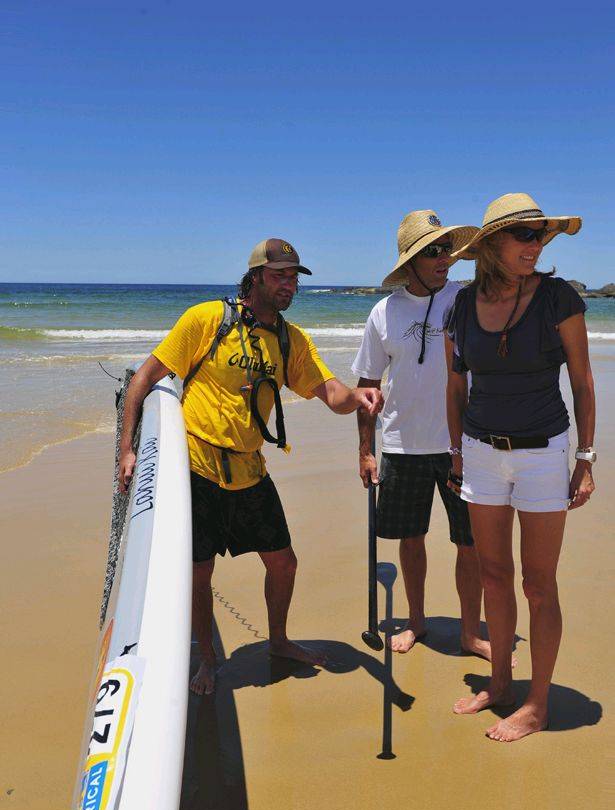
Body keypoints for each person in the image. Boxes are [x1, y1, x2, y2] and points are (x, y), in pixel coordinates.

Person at [119, 239, 382, 695]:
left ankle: (278, 640)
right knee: (199, 574)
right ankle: (207, 658)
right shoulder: (207, 320)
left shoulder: (290, 339)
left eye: (294, 277)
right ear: (256, 276)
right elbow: (143, 379)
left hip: (250, 471)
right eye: (280, 276)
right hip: (197, 470)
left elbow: (332, 394)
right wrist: (127, 450)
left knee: (284, 563)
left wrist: (358, 396)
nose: (289, 285)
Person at [445, 193, 595, 742]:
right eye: (524, 235)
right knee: (493, 573)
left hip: (543, 454)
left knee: (538, 584)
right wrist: (457, 454)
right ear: (492, 245)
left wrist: (585, 458)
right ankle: (502, 684)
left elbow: (582, 382)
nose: (535, 246)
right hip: (481, 453)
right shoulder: (462, 305)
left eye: (539, 235)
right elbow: (455, 386)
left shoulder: (558, 298)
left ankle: (537, 704)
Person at [353, 209, 490, 658]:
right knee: (411, 539)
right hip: (402, 445)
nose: (444, 258)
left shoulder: (467, 300)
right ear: (410, 261)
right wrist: (365, 450)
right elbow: (367, 385)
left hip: (463, 446)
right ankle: (416, 622)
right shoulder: (383, 312)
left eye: (447, 248)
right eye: (433, 251)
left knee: (469, 543)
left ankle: (470, 632)